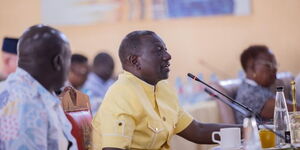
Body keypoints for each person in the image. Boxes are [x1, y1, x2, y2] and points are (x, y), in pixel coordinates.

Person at [91, 30, 240, 150]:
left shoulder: (162, 88)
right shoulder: (122, 94)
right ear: (134, 61)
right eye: (158, 51)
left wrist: (252, 129)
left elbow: (198, 130)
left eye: (165, 50)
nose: (168, 56)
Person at [0, 24, 77, 150]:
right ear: (58, 62)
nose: (70, 70)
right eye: (69, 60)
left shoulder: (39, 93)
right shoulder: (26, 103)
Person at [235, 45, 299, 124]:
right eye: (269, 65)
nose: (275, 69)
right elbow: (294, 111)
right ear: (251, 68)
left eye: (275, 64)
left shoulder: (259, 88)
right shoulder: (249, 94)